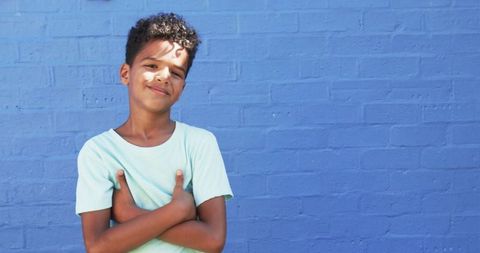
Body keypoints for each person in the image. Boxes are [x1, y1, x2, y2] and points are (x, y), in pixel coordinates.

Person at [75, 13, 233, 253]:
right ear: (126, 74)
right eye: (152, 65)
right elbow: (97, 247)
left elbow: (213, 240)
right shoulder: (99, 152)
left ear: (182, 88)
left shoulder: (200, 143)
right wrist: (176, 211)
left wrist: (131, 215)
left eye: (176, 73)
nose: (164, 77)